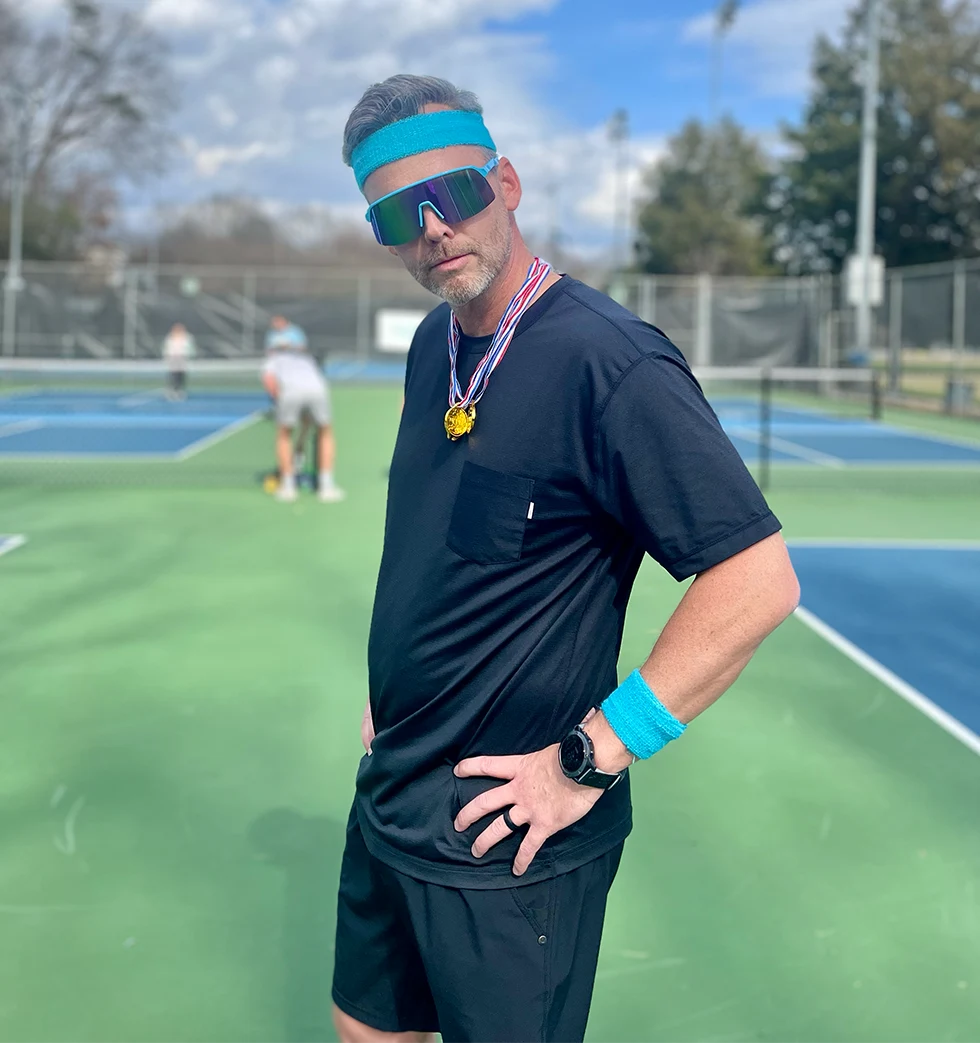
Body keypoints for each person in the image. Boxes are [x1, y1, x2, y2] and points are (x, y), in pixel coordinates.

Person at [332, 75, 800, 1043]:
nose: (430, 229)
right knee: (366, 1028)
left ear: (504, 181)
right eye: (394, 215)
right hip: (390, 789)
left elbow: (755, 578)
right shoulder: (434, 346)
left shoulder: (609, 362)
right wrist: (391, 689)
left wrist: (589, 757)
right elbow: (429, 546)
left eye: (452, 193)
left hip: (508, 836)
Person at [262, 315, 345, 503]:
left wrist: (277, 403)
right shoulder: (307, 359)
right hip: (318, 389)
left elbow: (270, 383)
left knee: (284, 435)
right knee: (325, 431)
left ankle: (288, 486)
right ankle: (327, 486)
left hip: (290, 392)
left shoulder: (271, 360)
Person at [161, 322, 195, 401]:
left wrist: (188, 355)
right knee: (172, 375)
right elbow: (167, 348)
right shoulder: (170, 338)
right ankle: (170, 390)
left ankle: (179, 390)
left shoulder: (187, 338)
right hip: (173, 358)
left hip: (182, 358)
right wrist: (167, 357)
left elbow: (189, 348)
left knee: (181, 375)